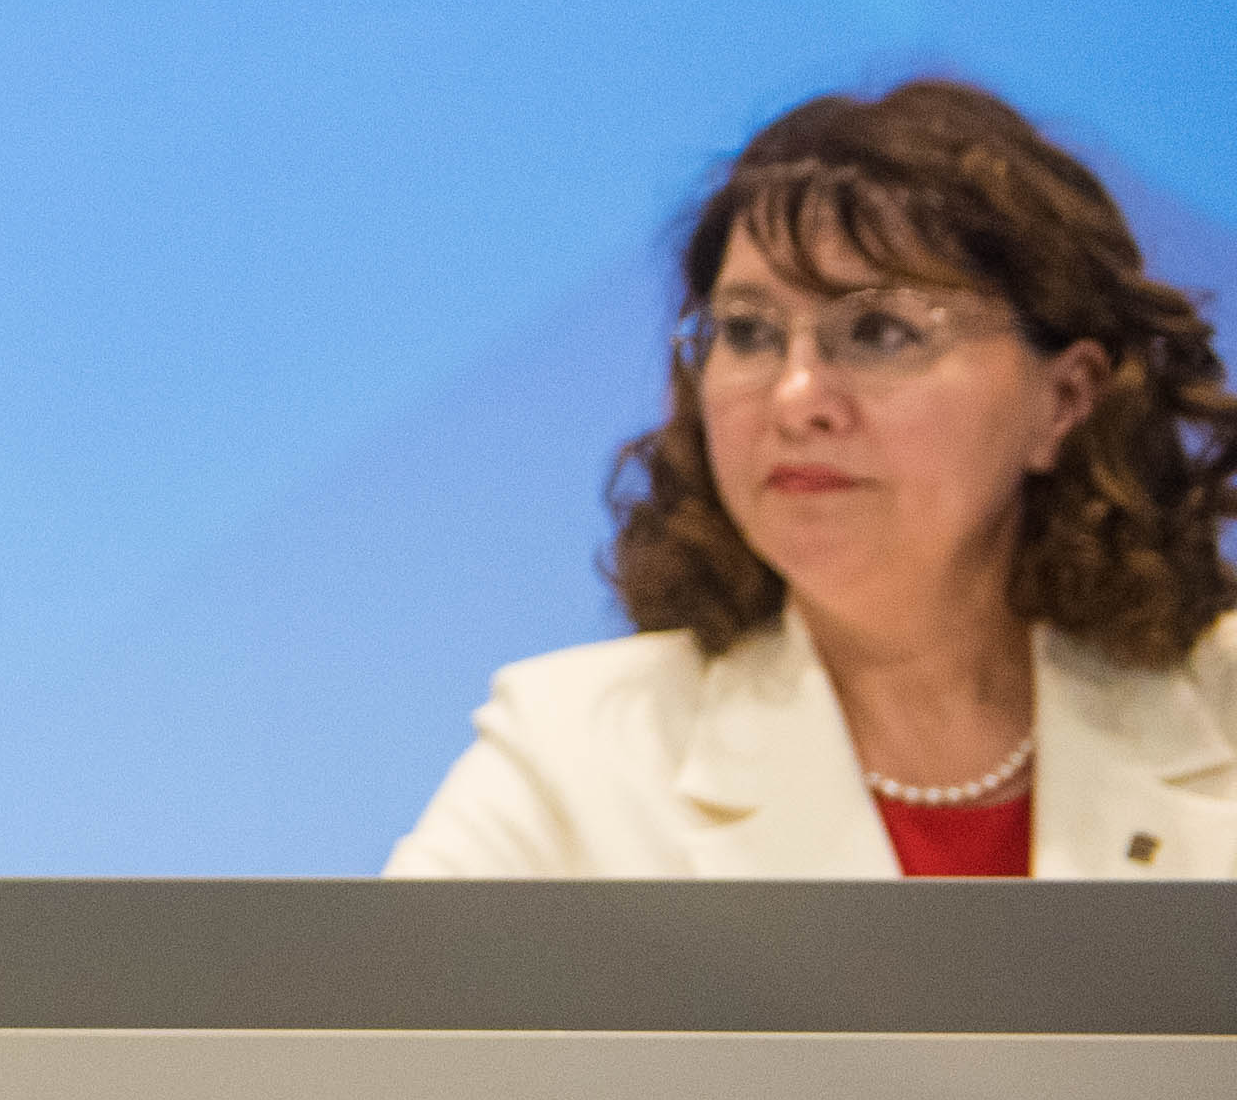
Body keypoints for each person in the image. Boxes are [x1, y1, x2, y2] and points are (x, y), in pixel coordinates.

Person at [390, 80, 1237, 879]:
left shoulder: (1222, 706)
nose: (796, 399)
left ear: (1066, 398)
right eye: (749, 332)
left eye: (880, 332)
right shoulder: (573, 754)